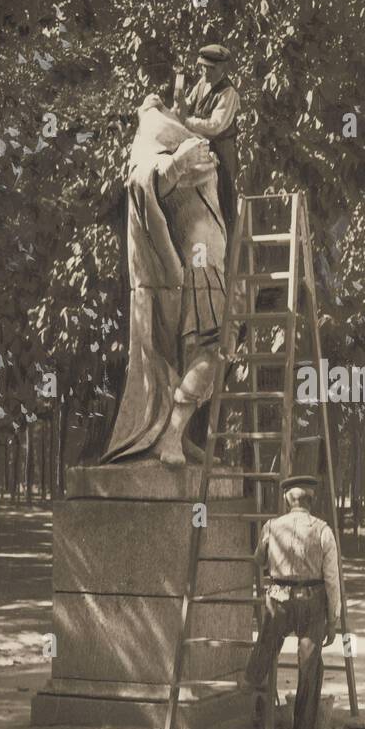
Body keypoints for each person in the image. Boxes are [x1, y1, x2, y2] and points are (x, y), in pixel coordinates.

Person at [102, 95, 234, 466]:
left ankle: (177, 434)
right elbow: (143, 180)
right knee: (211, 349)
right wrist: (179, 161)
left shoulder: (187, 136)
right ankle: (172, 436)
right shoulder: (156, 132)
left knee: (199, 353)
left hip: (210, 265)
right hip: (199, 268)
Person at [243, 475, 342, 729]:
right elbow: (332, 579)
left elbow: (258, 559)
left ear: (288, 499)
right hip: (312, 603)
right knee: (310, 670)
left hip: (279, 600)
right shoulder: (323, 531)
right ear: (311, 500)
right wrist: (333, 618)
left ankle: (251, 684)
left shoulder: (272, 526)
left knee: (265, 651)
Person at [175, 43, 241, 233]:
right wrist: (177, 110)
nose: (205, 71)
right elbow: (186, 105)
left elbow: (215, 126)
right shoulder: (202, 84)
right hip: (201, 146)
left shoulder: (228, 93)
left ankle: (228, 244)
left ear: (222, 68)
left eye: (210, 68)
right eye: (203, 66)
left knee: (223, 199)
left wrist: (186, 121)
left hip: (222, 150)